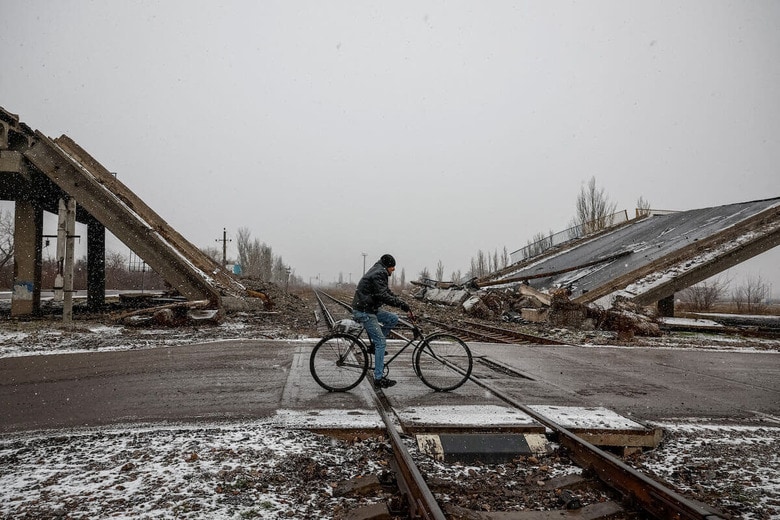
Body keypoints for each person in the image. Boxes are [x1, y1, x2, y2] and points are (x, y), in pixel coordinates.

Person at [352, 254, 411, 389]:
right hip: (365, 310)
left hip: (369, 307)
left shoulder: (378, 270)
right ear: (388, 266)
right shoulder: (380, 273)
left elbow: (385, 292)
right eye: (392, 267)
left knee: (393, 319)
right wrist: (401, 305)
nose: (394, 270)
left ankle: (374, 347)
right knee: (381, 342)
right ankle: (378, 378)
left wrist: (400, 301)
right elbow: (382, 295)